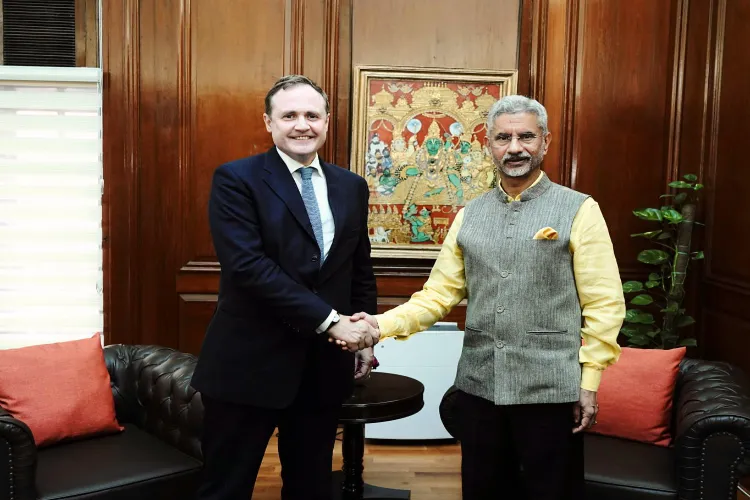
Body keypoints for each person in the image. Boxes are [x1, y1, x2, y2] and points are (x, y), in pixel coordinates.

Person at [348, 95, 625, 499]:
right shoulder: (470, 215)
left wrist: (590, 380)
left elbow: (605, 304)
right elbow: (436, 296)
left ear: (545, 142)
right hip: (479, 388)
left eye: (526, 136)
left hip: (550, 389)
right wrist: (377, 327)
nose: (515, 147)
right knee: (483, 490)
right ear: (489, 146)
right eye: (503, 138)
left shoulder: (579, 209)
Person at [191, 75, 380, 500]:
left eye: (312, 115)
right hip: (248, 364)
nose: (302, 125)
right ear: (268, 122)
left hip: (321, 369)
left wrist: (364, 334)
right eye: (289, 115)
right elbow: (247, 267)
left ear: (327, 122)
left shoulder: (351, 186)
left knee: (310, 486)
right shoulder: (236, 179)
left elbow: (358, 265)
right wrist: (331, 322)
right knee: (226, 487)